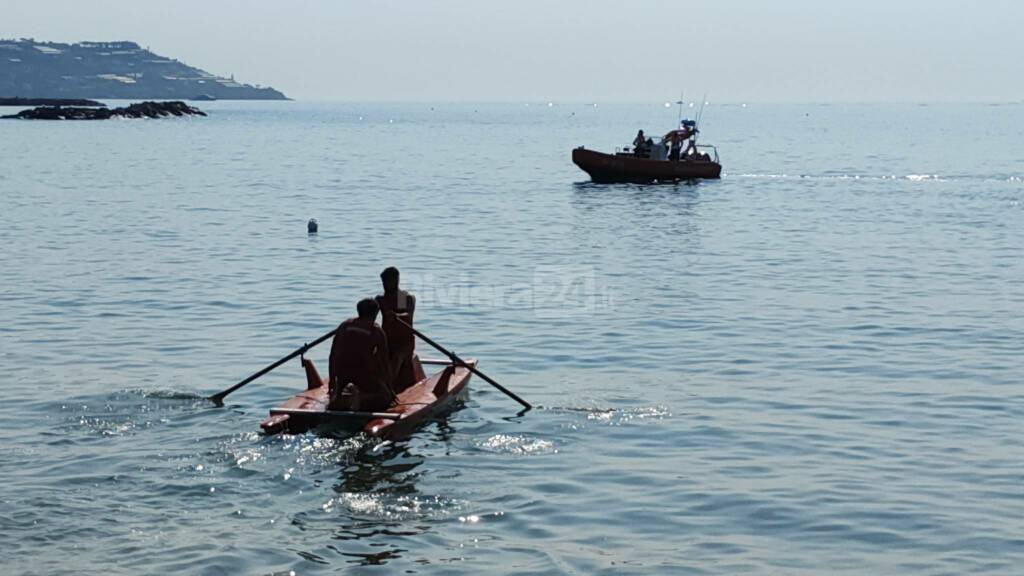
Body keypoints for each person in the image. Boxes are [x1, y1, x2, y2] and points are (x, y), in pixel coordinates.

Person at [328, 298, 394, 412]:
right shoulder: (376, 330)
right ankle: (362, 398)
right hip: (364, 373)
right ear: (376, 313)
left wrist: (332, 379)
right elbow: (384, 361)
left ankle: (339, 396)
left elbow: (333, 354)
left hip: (342, 372)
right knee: (386, 398)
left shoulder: (344, 325)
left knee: (339, 392)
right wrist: (389, 386)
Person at [375, 267, 418, 393]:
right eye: (383, 282)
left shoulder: (405, 297)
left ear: (396, 280)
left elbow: (408, 315)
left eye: (387, 282)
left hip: (405, 342)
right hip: (386, 340)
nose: (384, 285)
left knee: (397, 358)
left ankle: (388, 390)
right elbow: (370, 314)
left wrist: (396, 316)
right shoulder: (380, 299)